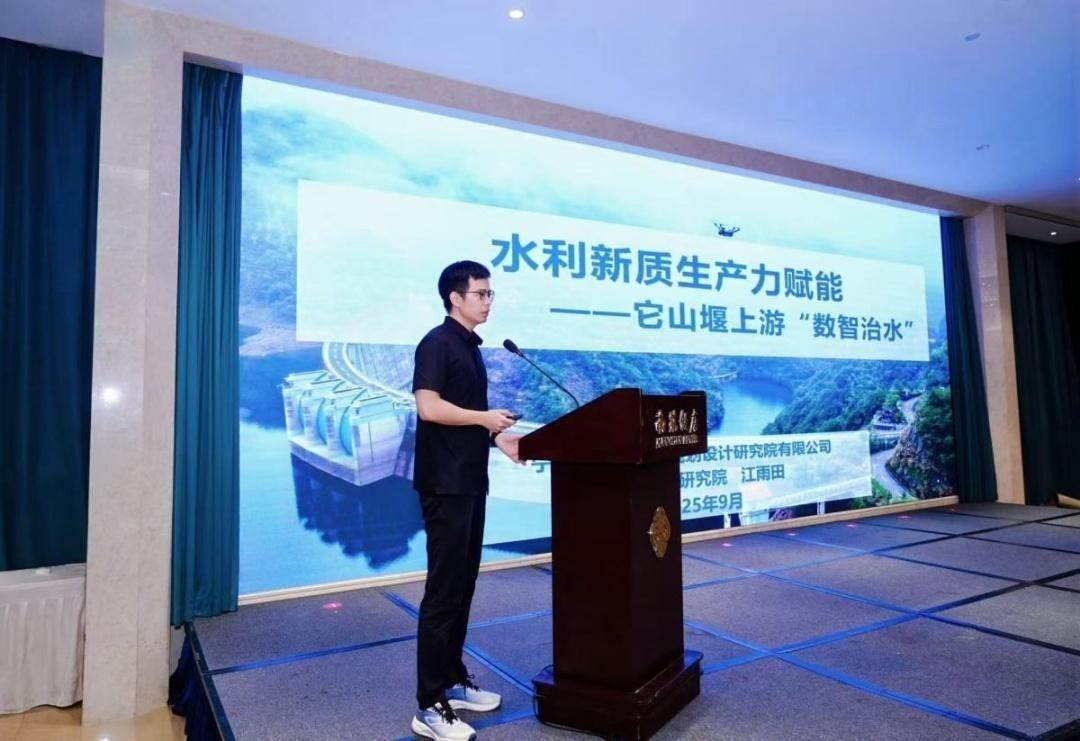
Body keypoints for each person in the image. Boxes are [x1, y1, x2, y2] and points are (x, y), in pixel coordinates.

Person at [409, 260, 523, 741]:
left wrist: (499, 437)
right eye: (480, 293)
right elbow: (429, 406)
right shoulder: (437, 343)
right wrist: (484, 419)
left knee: (463, 586)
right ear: (455, 298)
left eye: (490, 293)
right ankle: (428, 706)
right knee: (443, 592)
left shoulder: (470, 348)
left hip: (471, 480)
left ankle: (451, 679)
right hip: (445, 484)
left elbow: (468, 415)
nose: (488, 301)